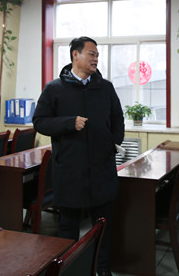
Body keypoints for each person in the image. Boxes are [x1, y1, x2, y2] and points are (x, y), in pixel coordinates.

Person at [33, 36, 124, 276]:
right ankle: (68, 272)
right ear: (75, 54)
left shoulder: (105, 87)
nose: (96, 59)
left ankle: (102, 270)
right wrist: (68, 123)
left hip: (101, 169)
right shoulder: (55, 88)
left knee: (103, 226)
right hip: (70, 170)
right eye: (91, 54)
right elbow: (39, 121)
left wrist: (112, 142)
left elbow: (118, 118)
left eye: (97, 55)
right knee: (68, 228)